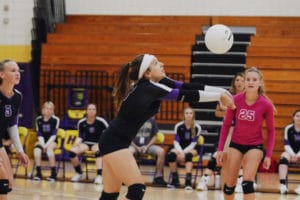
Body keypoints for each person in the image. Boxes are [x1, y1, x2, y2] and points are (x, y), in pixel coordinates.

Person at [98, 54, 235, 200]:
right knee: (137, 189)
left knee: (110, 194)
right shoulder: (147, 88)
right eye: (156, 63)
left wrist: (221, 91)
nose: (162, 64)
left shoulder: (156, 83)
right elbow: (184, 95)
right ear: (147, 73)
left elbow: (186, 87)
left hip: (112, 141)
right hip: (114, 142)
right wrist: (219, 97)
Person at [216, 67, 276, 200]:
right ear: (244, 83)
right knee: (229, 185)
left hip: (255, 145)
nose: (250, 82)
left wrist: (269, 155)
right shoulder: (235, 100)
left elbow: (271, 131)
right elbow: (226, 125)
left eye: (254, 80)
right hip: (236, 144)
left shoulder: (266, 105)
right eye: (248, 79)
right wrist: (220, 149)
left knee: (247, 183)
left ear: (260, 83)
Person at [197, 72, 245, 191]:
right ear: (234, 82)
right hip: (228, 129)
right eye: (237, 80)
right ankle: (204, 180)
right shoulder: (227, 95)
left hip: (242, 131)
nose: (239, 82)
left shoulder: (247, 97)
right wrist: (231, 112)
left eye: (241, 80)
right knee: (218, 154)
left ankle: (240, 182)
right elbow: (217, 112)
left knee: (240, 156)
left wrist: (233, 111)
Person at [0, 59, 29, 199]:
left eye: (18, 70)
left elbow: (12, 125)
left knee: (9, 183)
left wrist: (20, 151)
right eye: (12, 70)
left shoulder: (17, 97)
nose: (17, 73)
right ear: (1, 74)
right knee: (3, 179)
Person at [69, 103, 109, 184]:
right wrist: (76, 143)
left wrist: (102, 143)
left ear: (96, 111)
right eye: (89, 109)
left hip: (97, 143)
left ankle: (99, 175)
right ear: (86, 111)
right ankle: (79, 173)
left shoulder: (101, 121)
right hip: (86, 143)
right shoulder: (81, 122)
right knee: (72, 152)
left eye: (93, 109)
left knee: (98, 152)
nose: (91, 111)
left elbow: (108, 133)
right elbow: (80, 136)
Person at [167, 107, 202, 190]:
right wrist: (180, 151)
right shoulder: (178, 126)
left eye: (191, 113)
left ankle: (188, 181)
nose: (189, 115)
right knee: (171, 155)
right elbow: (176, 142)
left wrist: (184, 153)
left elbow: (193, 143)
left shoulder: (197, 127)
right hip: (180, 146)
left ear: (193, 115)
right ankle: (175, 180)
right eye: (187, 113)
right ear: (184, 115)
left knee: (188, 156)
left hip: (192, 147)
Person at [129, 117, 167, 187]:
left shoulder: (151, 120)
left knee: (161, 151)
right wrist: (137, 147)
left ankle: (158, 177)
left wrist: (147, 146)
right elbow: (128, 136)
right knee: (129, 152)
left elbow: (155, 136)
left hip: (148, 146)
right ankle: (133, 176)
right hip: (134, 146)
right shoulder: (132, 119)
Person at [33, 101, 60, 182]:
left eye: (50, 109)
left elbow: (54, 135)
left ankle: (53, 174)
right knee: (36, 150)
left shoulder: (55, 119)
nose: (48, 110)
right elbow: (39, 134)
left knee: (49, 150)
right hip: (42, 141)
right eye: (46, 108)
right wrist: (43, 145)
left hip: (52, 141)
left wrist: (46, 145)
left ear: (53, 111)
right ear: (43, 109)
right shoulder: (38, 119)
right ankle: (38, 173)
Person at [278, 109, 300, 194]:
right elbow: (286, 144)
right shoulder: (288, 128)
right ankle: (283, 185)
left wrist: (297, 155)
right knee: (283, 157)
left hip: (299, 153)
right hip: (290, 152)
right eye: (297, 116)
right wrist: (293, 154)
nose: (299, 118)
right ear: (293, 118)